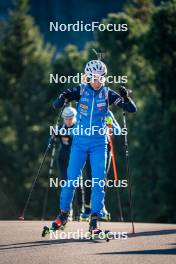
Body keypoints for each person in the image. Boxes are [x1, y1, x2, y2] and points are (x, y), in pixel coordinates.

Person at [51, 60, 137, 234]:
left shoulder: (107, 93)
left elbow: (131, 109)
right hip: (80, 144)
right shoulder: (80, 90)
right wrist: (62, 97)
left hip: (99, 144)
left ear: (104, 77)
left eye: (100, 78)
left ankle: (95, 221)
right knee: (71, 180)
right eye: (93, 78)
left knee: (98, 183)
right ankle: (63, 214)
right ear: (88, 77)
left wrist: (126, 97)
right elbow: (56, 105)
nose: (97, 81)